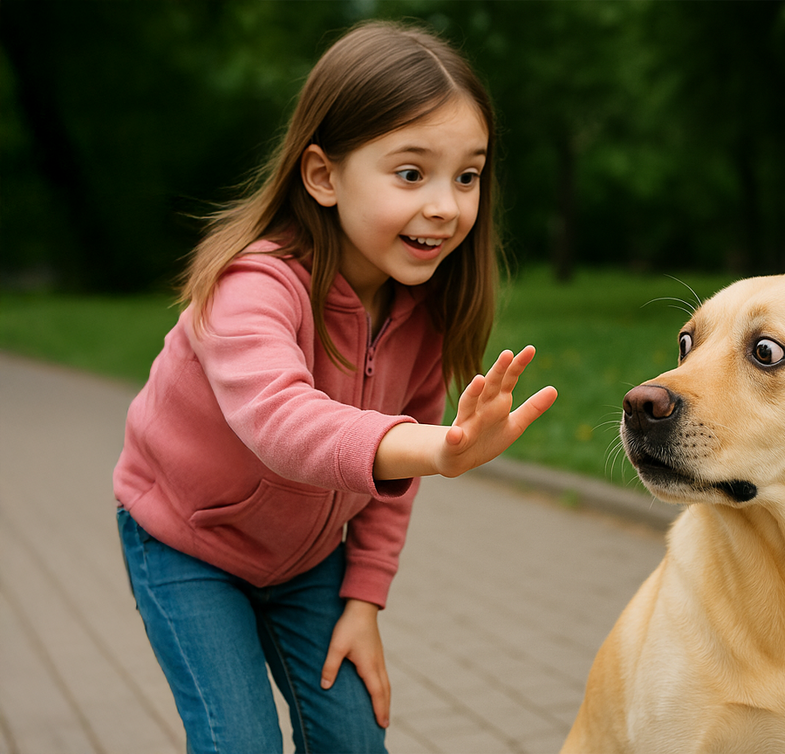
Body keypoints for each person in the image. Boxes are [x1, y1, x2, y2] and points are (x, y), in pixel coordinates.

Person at [112, 20, 556, 754]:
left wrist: (364, 597)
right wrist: (436, 448)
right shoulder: (253, 285)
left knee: (355, 738)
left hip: (308, 560)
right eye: (411, 173)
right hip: (186, 542)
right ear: (322, 176)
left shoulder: (421, 310)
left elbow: (392, 482)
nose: (446, 206)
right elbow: (283, 423)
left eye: (467, 175)